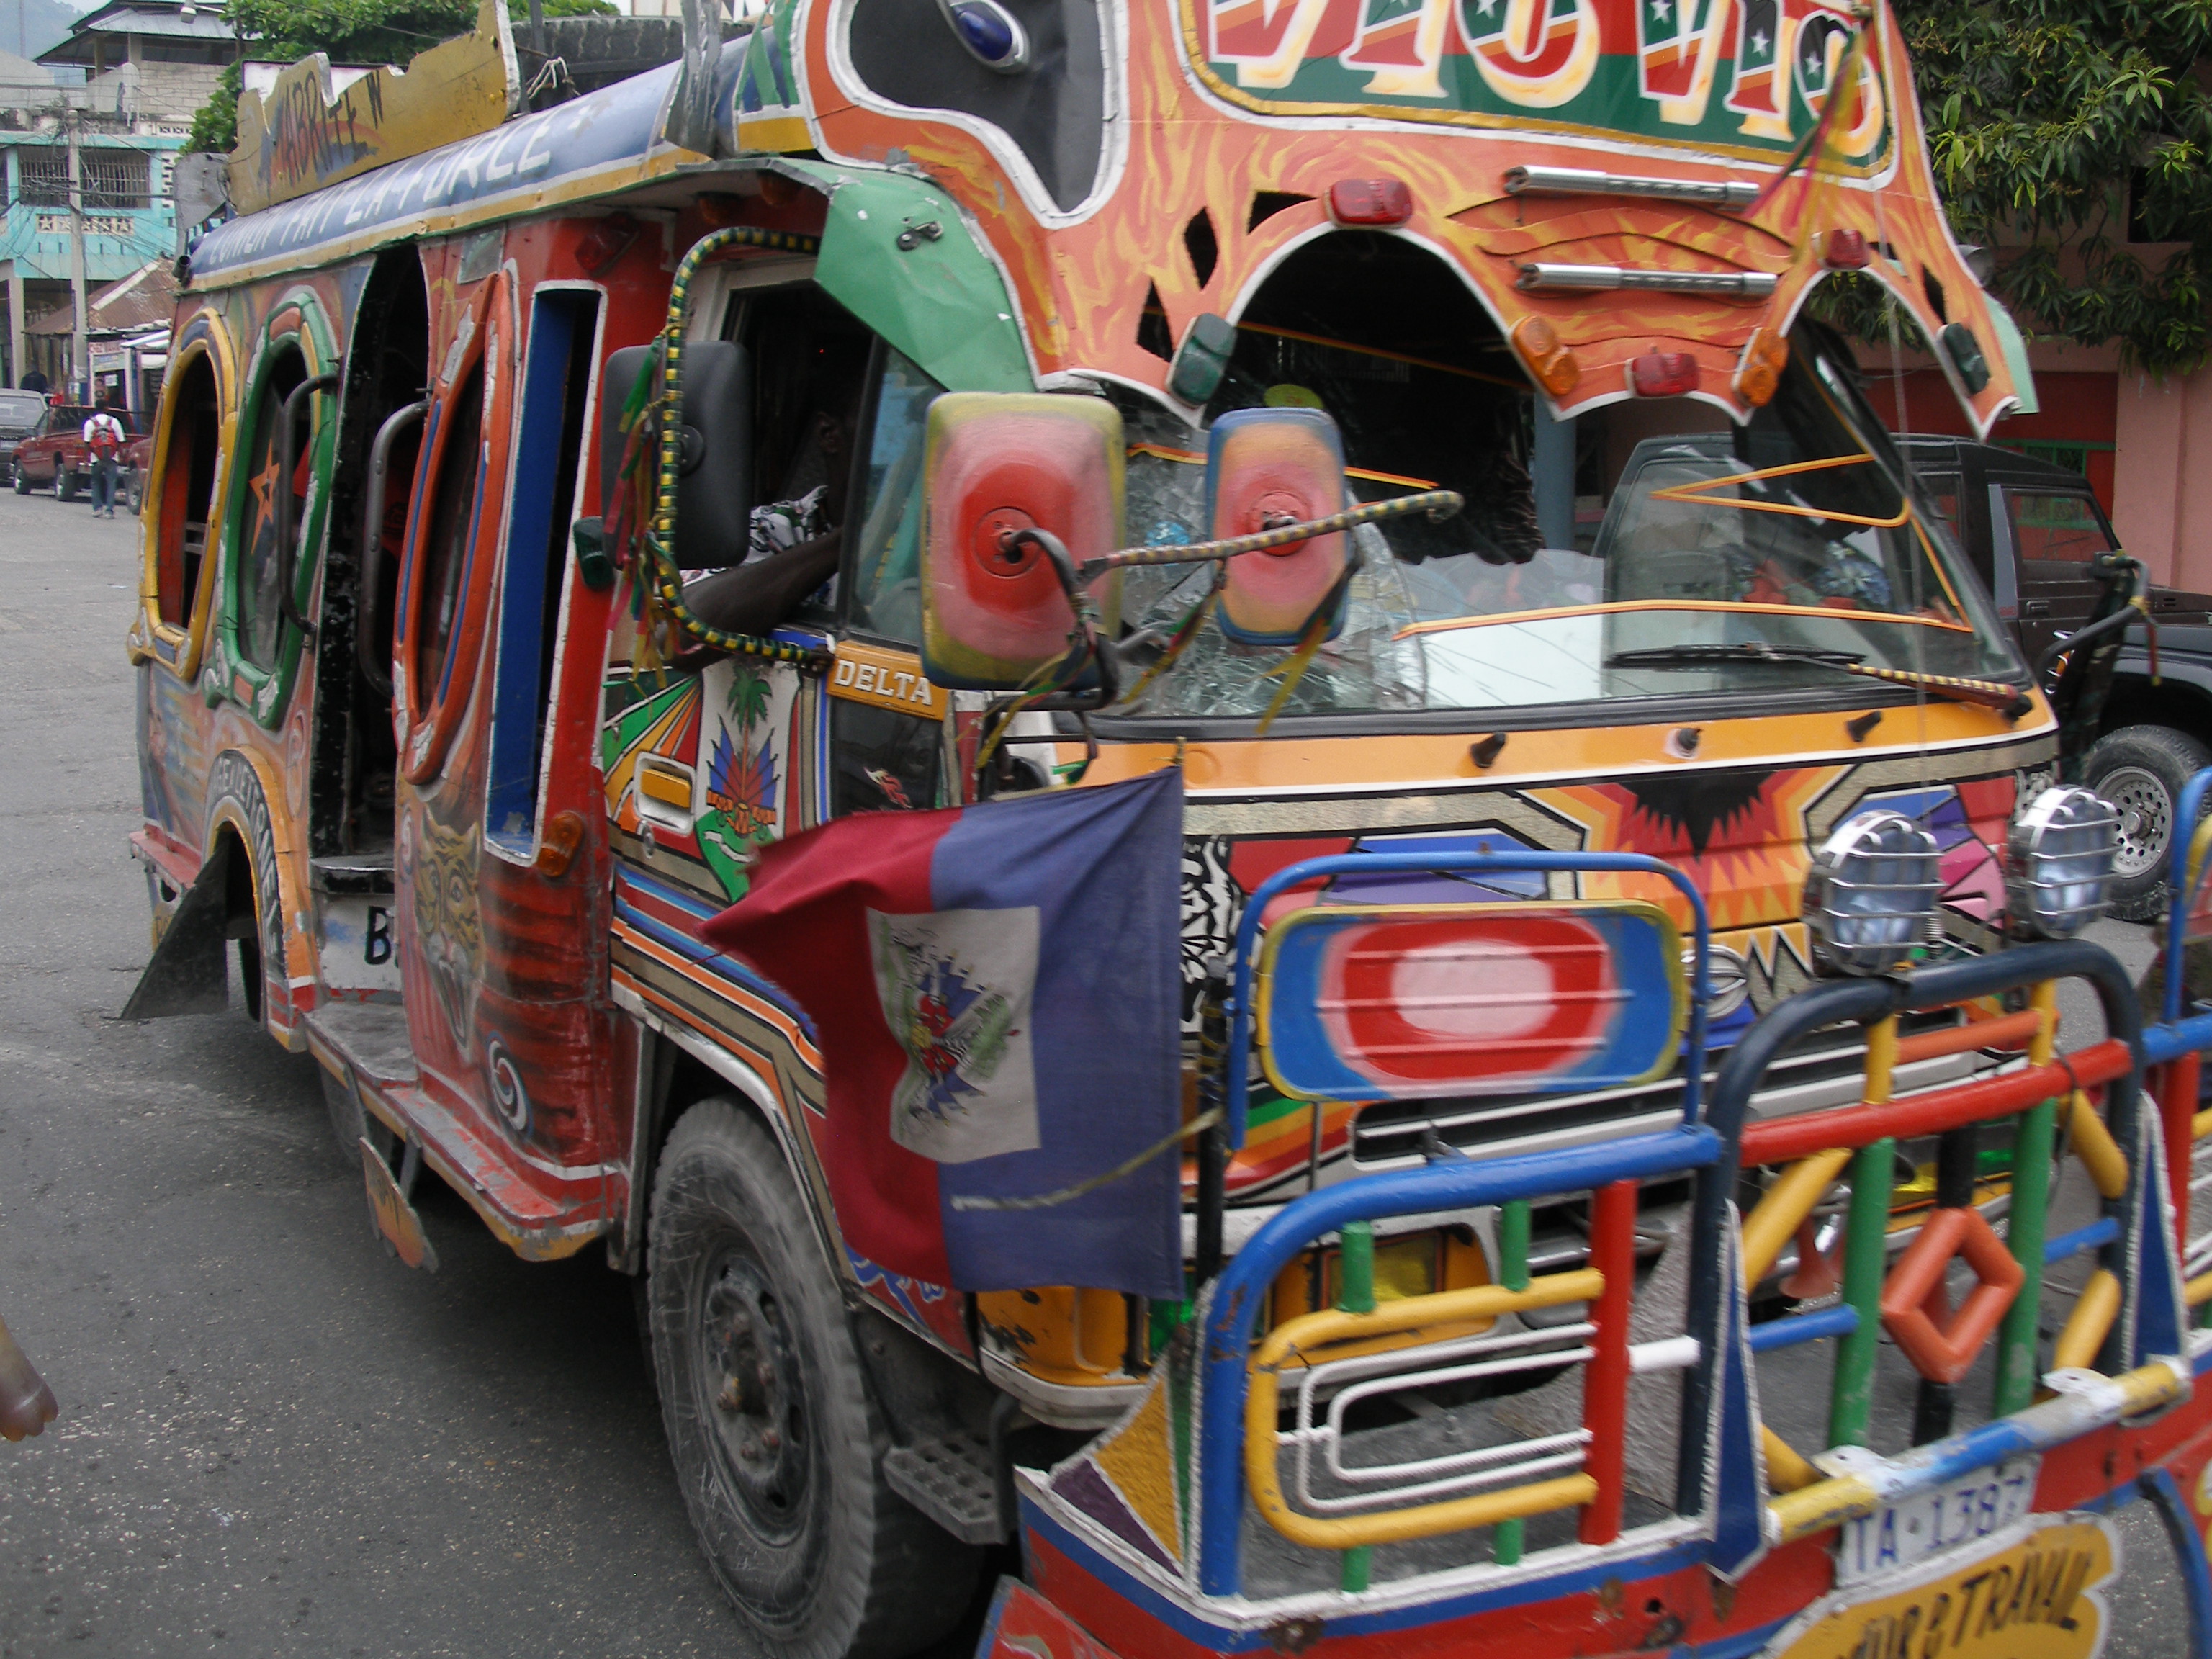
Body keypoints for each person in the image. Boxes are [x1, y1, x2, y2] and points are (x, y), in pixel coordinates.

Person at [83, 399, 126, 518]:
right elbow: (121, 440)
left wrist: (86, 459)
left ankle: (97, 509)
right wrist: (118, 454)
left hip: (96, 458)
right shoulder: (114, 421)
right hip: (112, 458)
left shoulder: (90, 423)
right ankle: (109, 511)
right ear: (106, 408)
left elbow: (86, 443)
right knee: (111, 483)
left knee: (95, 482)